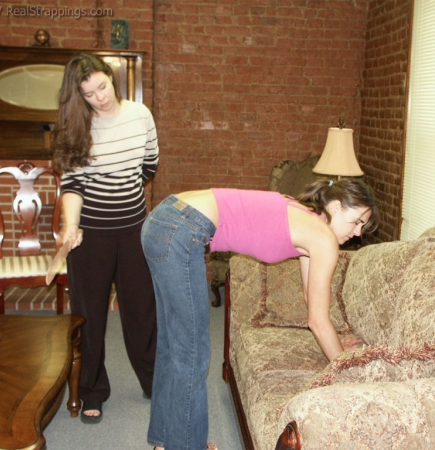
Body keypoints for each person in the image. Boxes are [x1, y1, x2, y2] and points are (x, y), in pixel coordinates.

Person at [141, 179, 378, 450]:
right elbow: (318, 320)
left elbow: (312, 302)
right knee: (191, 351)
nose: (358, 232)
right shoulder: (323, 237)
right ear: (335, 207)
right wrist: (345, 368)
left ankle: (166, 443)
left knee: (174, 346)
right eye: (356, 221)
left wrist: (335, 343)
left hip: (163, 221)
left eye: (362, 226)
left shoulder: (311, 224)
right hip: (181, 229)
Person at [51, 53, 159, 424]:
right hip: (91, 237)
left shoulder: (140, 115)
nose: (101, 97)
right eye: (90, 93)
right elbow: (73, 185)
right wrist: (71, 225)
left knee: (142, 311)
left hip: (133, 231)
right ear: (78, 97)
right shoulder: (76, 128)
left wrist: (121, 194)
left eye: (103, 86)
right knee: (89, 315)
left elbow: (149, 165)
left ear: (111, 78)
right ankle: (92, 390)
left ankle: (153, 381)